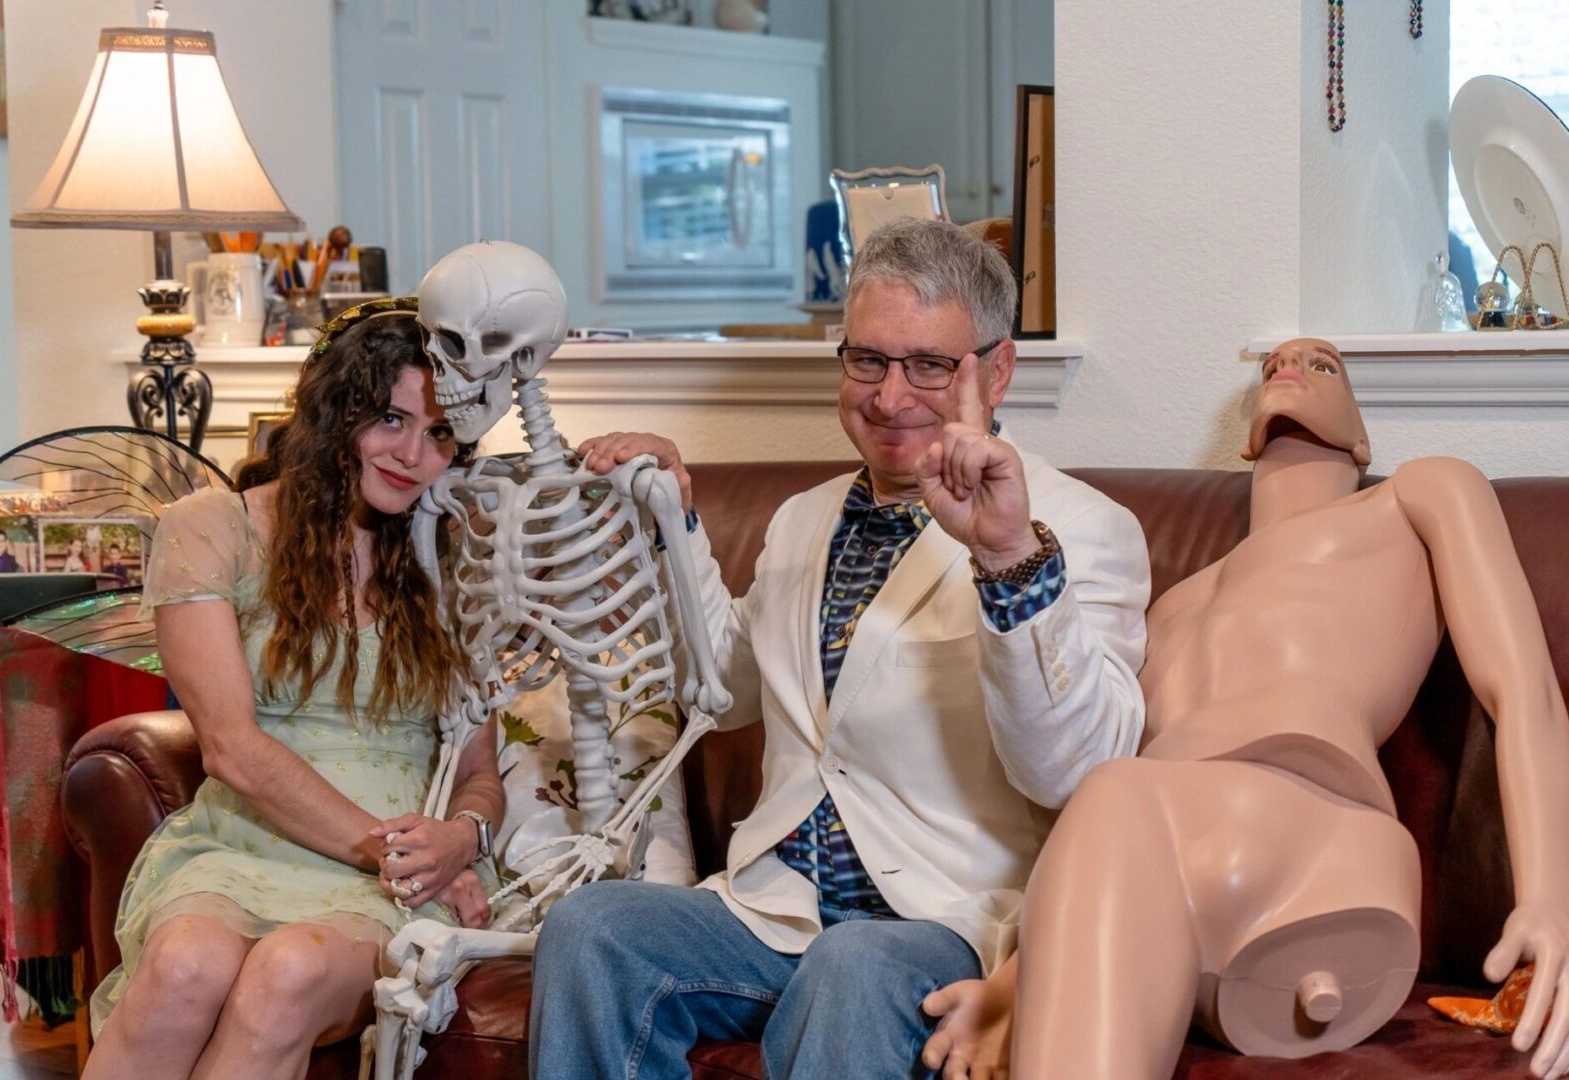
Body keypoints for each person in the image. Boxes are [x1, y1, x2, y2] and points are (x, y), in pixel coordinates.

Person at [529, 218, 1151, 1079]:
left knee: (852, 963)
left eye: (929, 365)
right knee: (592, 929)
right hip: (774, 909)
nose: (891, 398)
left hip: (944, 919)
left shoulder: (1080, 530)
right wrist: (670, 520)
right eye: (869, 361)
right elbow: (726, 692)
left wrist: (1006, 557)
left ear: (997, 369)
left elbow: (1077, 772)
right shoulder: (803, 517)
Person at [922, 338, 1569, 1079]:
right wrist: (1019, 980)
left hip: (1314, 854)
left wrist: (1552, 901)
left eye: (1322, 365)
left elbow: (1522, 690)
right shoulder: (1171, 607)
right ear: (1245, 441)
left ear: (1362, 438)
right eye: (1272, 368)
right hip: (1176, 877)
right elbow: (1114, 836)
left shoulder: (1416, 496)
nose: (1288, 364)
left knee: (1115, 794)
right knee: (1112, 792)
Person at [83, 300, 506, 1080]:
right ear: (333, 409)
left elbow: (480, 771)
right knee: (184, 966)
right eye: (388, 417)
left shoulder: (455, 557)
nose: (413, 454)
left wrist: (463, 840)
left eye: (440, 432)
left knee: (288, 971)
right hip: (250, 846)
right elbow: (233, 750)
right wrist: (396, 853)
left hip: (390, 886)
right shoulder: (213, 529)